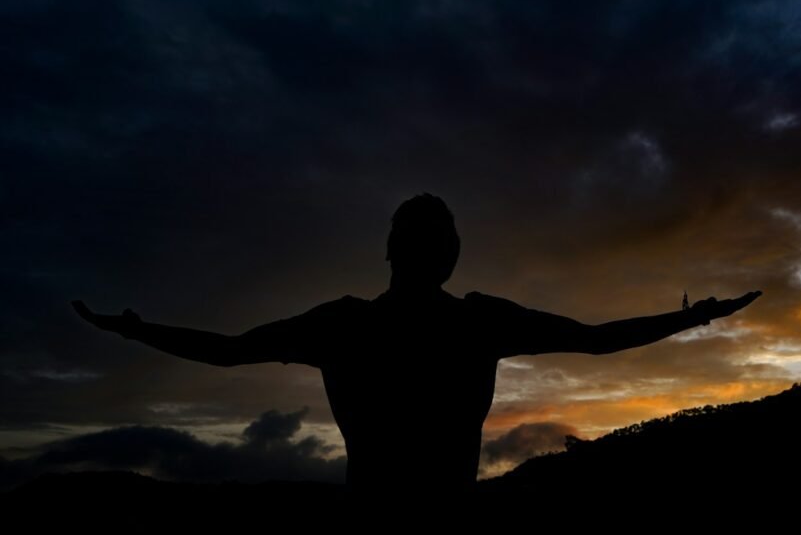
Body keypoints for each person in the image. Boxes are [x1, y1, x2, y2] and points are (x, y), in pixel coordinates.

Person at [73, 193, 761, 489]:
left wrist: (136, 330)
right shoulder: (476, 320)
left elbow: (224, 349)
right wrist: (694, 317)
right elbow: (597, 341)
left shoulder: (344, 324)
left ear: (391, 251)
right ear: (450, 255)